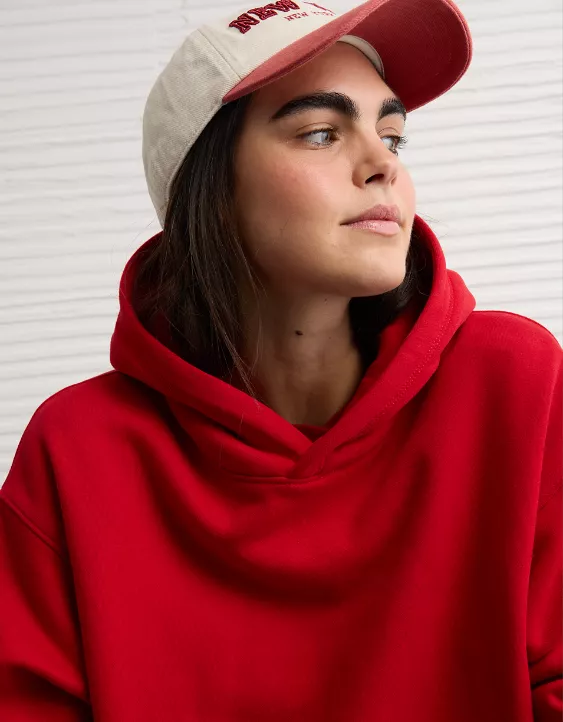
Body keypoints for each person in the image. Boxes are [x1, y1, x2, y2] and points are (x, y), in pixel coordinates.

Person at [0, 0, 561, 719]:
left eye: (393, 135)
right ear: (211, 192)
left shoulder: (514, 385)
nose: (382, 166)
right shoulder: (79, 450)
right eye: (321, 133)